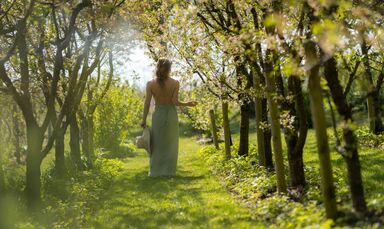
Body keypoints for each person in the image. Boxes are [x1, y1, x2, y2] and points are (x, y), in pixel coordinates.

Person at [141, 58, 197, 177]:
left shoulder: (150, 84)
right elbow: (175, 102)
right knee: (171, 144)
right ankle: (169, 172)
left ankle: (155, 172)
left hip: (158, 114)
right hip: (171, 114)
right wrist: (188, 104)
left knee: (157, 143)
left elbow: (147, 103)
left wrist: (144, 119)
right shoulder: (175, 83)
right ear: (170, 69)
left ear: (158, 67)